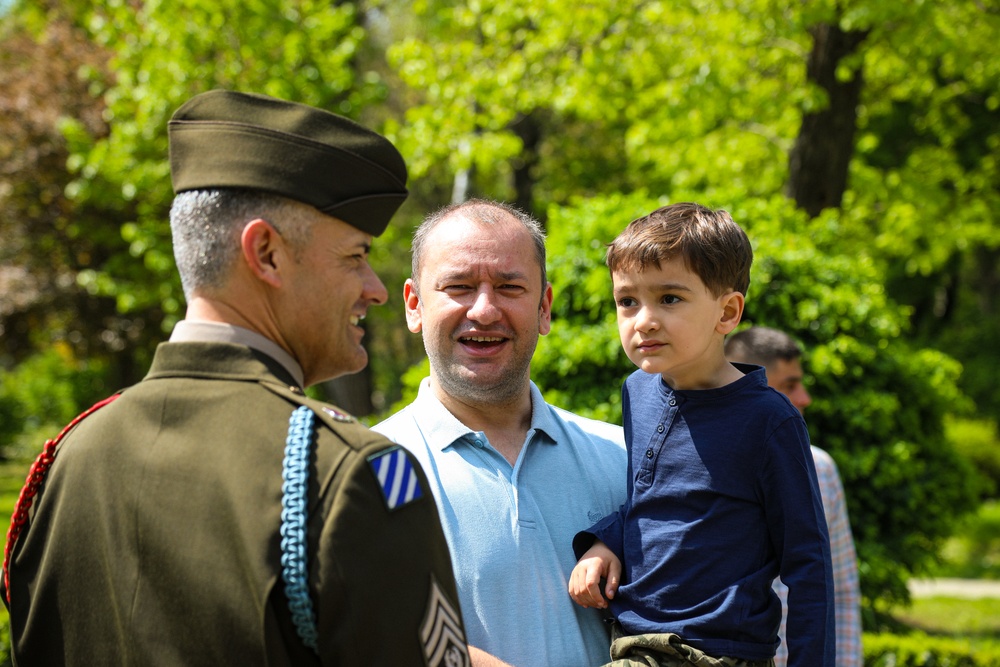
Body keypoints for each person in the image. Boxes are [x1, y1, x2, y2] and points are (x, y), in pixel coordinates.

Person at [1, 90, 471, 667]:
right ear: (267, 253)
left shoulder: (66, 462)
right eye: (355, 256)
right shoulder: (349, 472)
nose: (375, 287)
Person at [568, 202, 834, 667]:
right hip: (632, 640)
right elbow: (650, 499)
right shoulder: (638, 391)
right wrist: (604, 542)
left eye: (669, 299)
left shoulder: (769, 420)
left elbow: (808, 563)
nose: (643, 320)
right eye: (627, 301)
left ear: (727, 312)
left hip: (716, 652)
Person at [373, 199, 628, 667]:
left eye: (510, 287)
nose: (485, 310)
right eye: (459, 286)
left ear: (544, 307)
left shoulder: (624, 458)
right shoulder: (375, 467)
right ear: (414, 305)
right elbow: (372, 636)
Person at [725, 326, 863, 667]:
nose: (804, 398)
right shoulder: (697, 466)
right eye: (789, 386)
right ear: (746, 385)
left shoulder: (820, 468)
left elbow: (840, 591)